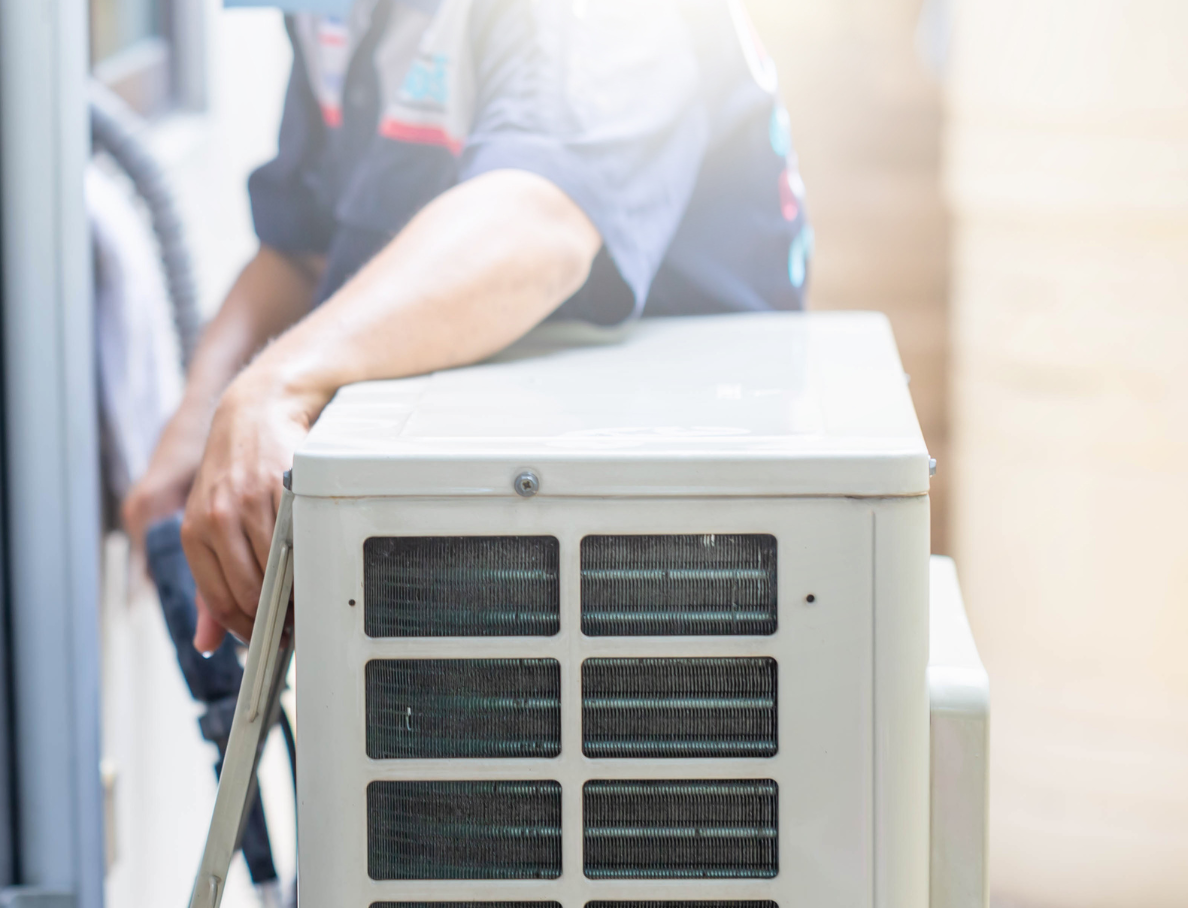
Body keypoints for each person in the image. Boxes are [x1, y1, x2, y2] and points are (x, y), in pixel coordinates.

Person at [122, 0, 810, 652]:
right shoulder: (340, 18)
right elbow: (305, 248)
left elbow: (539, 223)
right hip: (481, 525)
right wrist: (202, 419)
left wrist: (274, 385)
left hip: (671, 545)